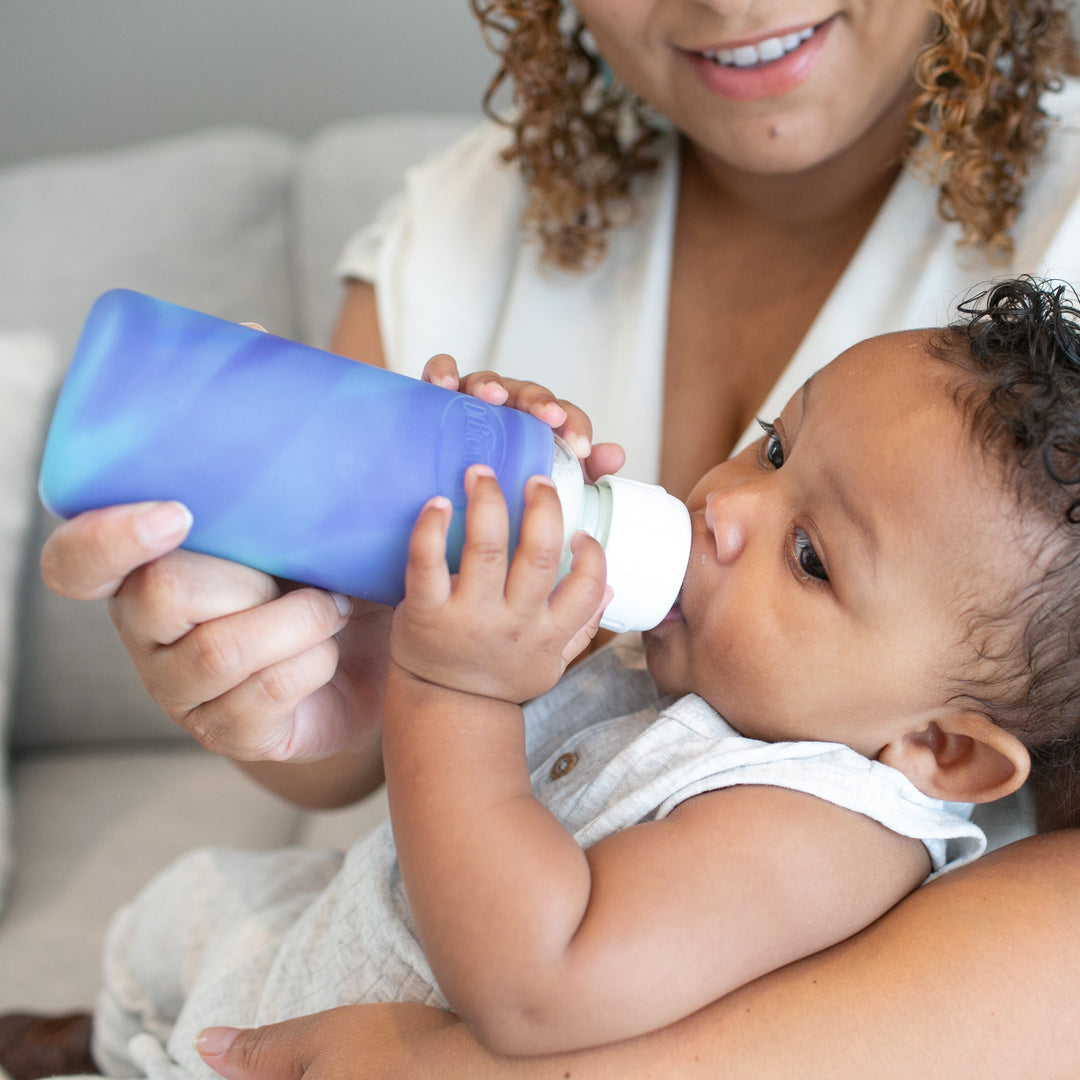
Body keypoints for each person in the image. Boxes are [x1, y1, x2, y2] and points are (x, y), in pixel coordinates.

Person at [25, 1, 1080, 1077]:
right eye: (771, 448)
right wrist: (369, 611)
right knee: (196, 915)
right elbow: (406, 756)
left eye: (811, 557)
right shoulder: (731, 675)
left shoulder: (825, 828)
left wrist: (459, 687)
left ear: (942, 752)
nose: (723, 507)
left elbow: (539, 981)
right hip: (304, 967)